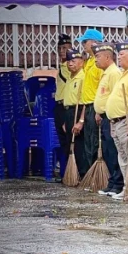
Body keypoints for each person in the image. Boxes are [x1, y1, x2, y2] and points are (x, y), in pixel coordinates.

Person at [105, 43, 128, 200]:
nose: (118, 57)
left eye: (122, 54)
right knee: (123, 157)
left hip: (127, 120)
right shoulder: (124, 73)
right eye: (118, 54)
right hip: (116, 122)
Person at [92, 43, 124, 197]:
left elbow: (115, 96)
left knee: (113, 151)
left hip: (111, 117)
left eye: (98, 56)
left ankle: (118, 184)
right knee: (107, 152)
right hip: (103, 116)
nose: (95, 60)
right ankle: (112, 182)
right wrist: (98, 111)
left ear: (107, 57)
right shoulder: (106, 73)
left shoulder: (114, 73)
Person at [78, 29, 104, 178]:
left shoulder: (99, 64)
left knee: (95, 143)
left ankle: (97, 177)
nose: (82, 44)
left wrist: (99, 110)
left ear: (94, 43)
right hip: (87, 106)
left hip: (95, 106)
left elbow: (102, 88)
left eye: (85, 41)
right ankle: (91, 176)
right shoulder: (88, 62)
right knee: (88, 143)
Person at [63, 49, 86, 174]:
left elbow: (85, 101)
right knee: (69, 144)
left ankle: (82, 174)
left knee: (78, 145)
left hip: (78, 111)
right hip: (68, 112)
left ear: (81, 63)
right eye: (68, 61)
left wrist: (80, 121)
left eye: (73, 61)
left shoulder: (83, 77)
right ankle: (72, 174)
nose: (70, 64)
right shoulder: (69, 77)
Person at [54, 34, 73, 178]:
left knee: (67, 141)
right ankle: (66, 172)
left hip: (67, 107)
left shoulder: (70, 66)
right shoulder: (62, 65)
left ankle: (70, 172)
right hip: (59, 106)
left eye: (65, 48)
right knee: (62, 141)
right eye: (60, 48)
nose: (62, 51)